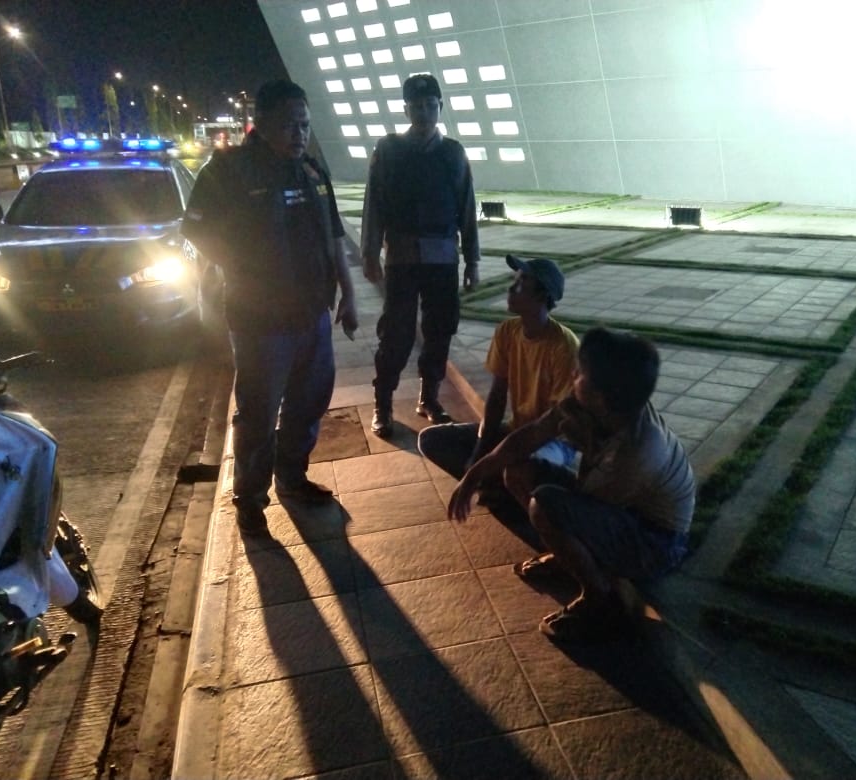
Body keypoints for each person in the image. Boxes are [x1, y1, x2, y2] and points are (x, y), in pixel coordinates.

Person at [182, 79, 358, 535]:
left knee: (309, 402)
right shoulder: (228, 171)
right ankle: (250, 498)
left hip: (313, 315)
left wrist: (349, 293)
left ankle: (292, 478)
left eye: (304, 125)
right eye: (289, 125)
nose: (299, 134)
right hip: (260, 322)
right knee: (258, 413)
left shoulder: (312, 173)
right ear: (260, 123)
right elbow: (196, 229)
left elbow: (334, 237)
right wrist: (243, 266)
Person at [448, 328, 695, 643]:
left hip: (655, 542)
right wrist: (474, 475)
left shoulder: (638, 452)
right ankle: (566, 558)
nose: (573, 375)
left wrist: (587, 444)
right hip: (619, 509)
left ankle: (598, 596)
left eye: (579, 372)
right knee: (518, 471)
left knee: (546, 506)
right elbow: (530, 436)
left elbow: (583, 502)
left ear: (600, 396)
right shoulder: (600, 404)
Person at [361, 73, 480, 439]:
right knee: (396, 332)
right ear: (406, 109)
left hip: (443, 257)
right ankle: (383, 403)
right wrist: (369, 253)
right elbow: (373, 205)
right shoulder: (388, 149)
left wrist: (473, 260)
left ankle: (429, 398)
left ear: (440, 107)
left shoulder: (453, 152)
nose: (424, 112)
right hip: (401, 257)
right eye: (417, 106)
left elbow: (466, 207)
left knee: (440, 330)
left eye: (431, 105)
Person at [418, 254, 579, 510]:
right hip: (517, 429)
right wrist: (480, 452)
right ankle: (496, 487)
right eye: (515, 280)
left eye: (521, 283)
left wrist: (494, 456)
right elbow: (497, 395)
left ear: (542, 296)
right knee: (431, 440)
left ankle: (512, 493)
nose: (511, 288)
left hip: (552, 441)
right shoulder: (507, 331)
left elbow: (553, 424)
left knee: (520, 467)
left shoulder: (564, 347)